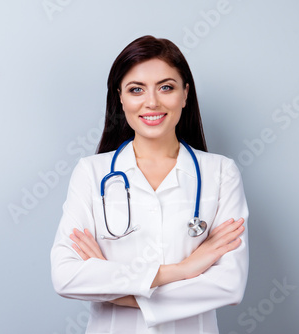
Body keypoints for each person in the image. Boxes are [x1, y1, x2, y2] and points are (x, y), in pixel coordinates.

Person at [50, 35, 248, 334]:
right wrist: (182, 270)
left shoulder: (221, 172)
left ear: (185, 94)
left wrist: (113, 284)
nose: (152, 102)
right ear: (120, 97)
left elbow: (228, 285)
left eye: (166, 87)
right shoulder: (92, 173)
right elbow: (66, 276)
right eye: (136, 89)